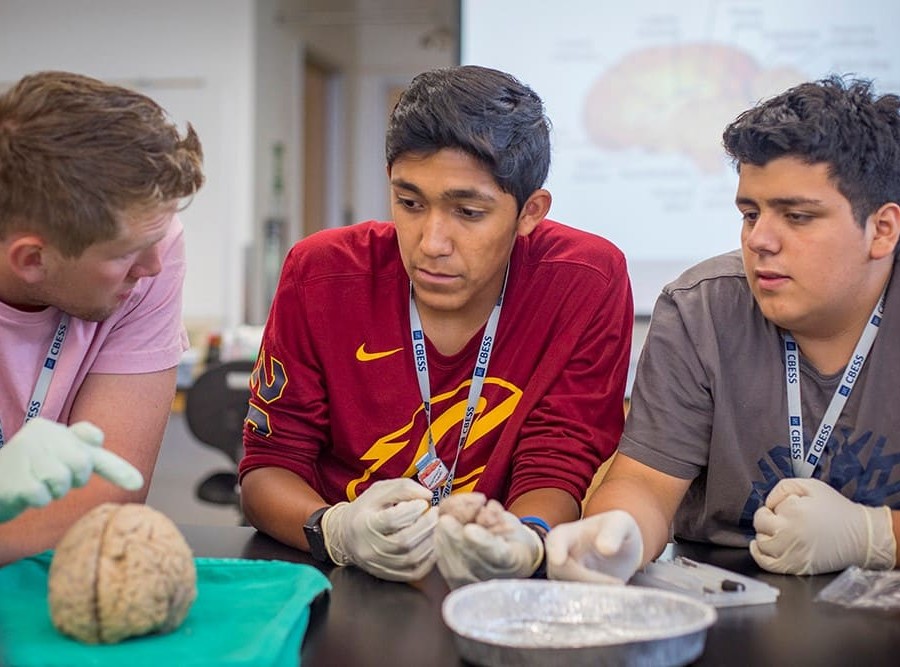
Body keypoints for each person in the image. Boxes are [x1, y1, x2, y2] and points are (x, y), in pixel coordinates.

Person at [239, 65, 633, 585]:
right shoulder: (322, 274)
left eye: (468, 212)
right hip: (337, 577)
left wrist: (525, 539)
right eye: (409, 203)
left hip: (490, 588)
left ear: (530, 213)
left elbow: (558, 459)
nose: (431, 243)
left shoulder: (584, 279)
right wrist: (334, 529)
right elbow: (269, 465)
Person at [544, 75, 900, 583]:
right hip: (723, 589)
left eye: (797, 216)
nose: (760, 240)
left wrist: (877, 535)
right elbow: (644, 484)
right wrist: (615, 535)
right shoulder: (701, 310)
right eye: (750, 213)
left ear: (882, 230)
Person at [0, 71, 204, 564]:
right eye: (128, 254)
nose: (154, 268)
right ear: (31, 260)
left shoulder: (152, 241)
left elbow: (109, 490)